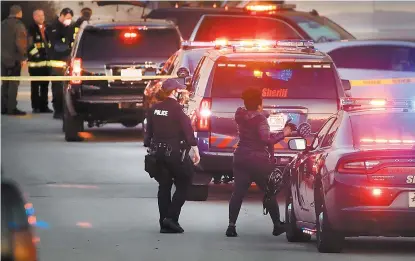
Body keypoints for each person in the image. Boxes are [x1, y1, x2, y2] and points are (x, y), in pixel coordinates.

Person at [226, 88, 293, 237]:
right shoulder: (260, 120)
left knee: (238, 193)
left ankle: (231, 226)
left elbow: (254, 121)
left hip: (241, 157)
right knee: (269, 192)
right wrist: (284, 133)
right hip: (258, 160)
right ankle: (277, 224)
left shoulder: (240, 115)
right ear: (259, 104)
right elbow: (265, 140)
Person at [144, 78, 201, 234]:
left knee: (164, 186)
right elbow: (188, 132)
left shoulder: (154, 109)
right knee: (184, 181)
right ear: (175, 92)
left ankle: (164, 223)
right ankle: (171, 218)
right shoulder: (178, 110)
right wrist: (195, 150)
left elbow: (147, 136)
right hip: (174, 154)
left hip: (157, 155)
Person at [46, 8, 74, 119]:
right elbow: (58, 44)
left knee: (68, 87)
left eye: (70, 18)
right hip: (57, 61)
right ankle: (58, 110)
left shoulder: (70, 27)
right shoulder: (53, 27)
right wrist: (67, 41)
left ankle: (66, 109)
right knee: (57, 87)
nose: (69, 20)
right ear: (61, 16)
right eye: (67, 18)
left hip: (67, 61)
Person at [1, 5, 27, 115]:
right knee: (13, 84)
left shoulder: (2, 24)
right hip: (14, 59)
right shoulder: (18, 25)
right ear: (18, 13)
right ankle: (12, 108)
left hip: (3, 59)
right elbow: (20, 43)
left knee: (5, 83)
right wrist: (24, 56)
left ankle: (3, 107)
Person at [27, 8, 53, 113]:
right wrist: (36, 55)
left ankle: (44, 106)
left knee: (45, 86)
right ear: (34, 17)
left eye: (42, 15)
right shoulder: (31, 29)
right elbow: (28, 45)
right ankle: (36, 107)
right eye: (38, 15)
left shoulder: (47, 28)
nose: (41, 17)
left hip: (46, 63)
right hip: (35, 64)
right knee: (35, 86)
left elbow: (49, 43)